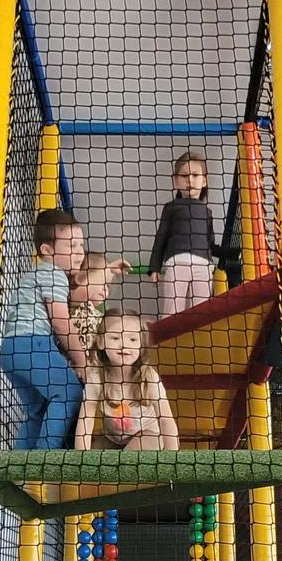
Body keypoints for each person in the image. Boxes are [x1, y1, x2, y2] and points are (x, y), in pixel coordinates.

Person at [0, 208, 87, 449]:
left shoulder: (37, 274)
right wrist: (81, 361)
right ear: (47, 250)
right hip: (32, 342)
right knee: (69, 392)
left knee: (38, 409)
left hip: (10, 350)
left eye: (81, 245)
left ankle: (18, 465)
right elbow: (60, 320)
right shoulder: (54, 274)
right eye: (72, 246)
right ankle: (46, 457)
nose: (80, 252)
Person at [74, 309, 179, 451]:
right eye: (115, 338)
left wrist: (173, 458)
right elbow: (86, 420)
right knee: (94, 458)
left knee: (128, 457)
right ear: (100, 342)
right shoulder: (97, 377)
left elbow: (166, 420)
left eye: (133, 339)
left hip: (148, 435)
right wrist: (82, 457)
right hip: (112, 439)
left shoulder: (148, 377)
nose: (124, 345)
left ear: (141, 345)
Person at [148, 151, 220, 318]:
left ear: (204, 180)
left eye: (195, 175)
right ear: (176, 181)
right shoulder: (171, 207)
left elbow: (210, 244)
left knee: (202, 312)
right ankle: (171, 336)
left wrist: (232, 252)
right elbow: (161, 238)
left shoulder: (207, 212)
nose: (190, 180)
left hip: (203, 265)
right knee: (172, 310)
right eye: (184, 176)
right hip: (177, 264)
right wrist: (154, 268)